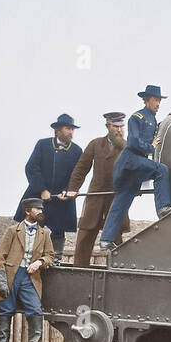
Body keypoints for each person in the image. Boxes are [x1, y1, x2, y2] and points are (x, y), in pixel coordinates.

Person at [98, 84, 171, 251]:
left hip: (135, 169)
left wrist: (168, 118)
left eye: (159, 100)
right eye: (155, 100)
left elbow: (156, 129)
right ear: (147, 100)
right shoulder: (137, 117)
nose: (158, 103)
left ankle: (105, 241)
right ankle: (163, 208)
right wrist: (150, 147)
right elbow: (134, 142)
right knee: (161, 170)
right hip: (130, 162)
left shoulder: (152, 119)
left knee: (121, 204)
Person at [0, 198, 55, 342]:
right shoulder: (12, 231)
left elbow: (50, 255)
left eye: (41, 209)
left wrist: (39, 262)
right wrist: (1, 280)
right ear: (27, 211)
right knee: (5, 311)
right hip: (11, 275)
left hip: (30, 278)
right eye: (37, 209)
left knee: (35, 310)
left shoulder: (45, 233)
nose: (40, 212)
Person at [62, 112, 131, 266]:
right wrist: (73, 188)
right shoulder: (95, 144)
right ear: (108, 127)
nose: (119, 130)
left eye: (121, 126)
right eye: (115, 126)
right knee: (85, 236)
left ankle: (117, 273)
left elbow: (137, 170)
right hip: (96, 197)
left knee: (116, 239)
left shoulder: (129, 147)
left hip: (116, 199)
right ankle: (79, 271)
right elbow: (81, 168)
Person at [19, 113, 82, 264]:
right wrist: (42, 189)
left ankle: (56, 258)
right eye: (68, 128)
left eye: (72, 129)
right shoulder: (43, 145)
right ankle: (25, 256)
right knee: (30, 225)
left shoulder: (77, 151)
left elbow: (77, 174)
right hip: (38, 195)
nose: (71, 132)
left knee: (58, 230)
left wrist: (67, 191)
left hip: (62, 198)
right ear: (58, 130)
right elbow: (31, 168)